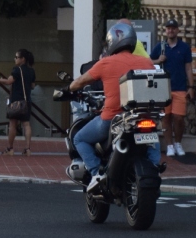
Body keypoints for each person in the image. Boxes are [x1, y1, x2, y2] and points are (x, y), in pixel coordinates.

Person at [67, 22, 162, 192]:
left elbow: (81, 81)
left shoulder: (106, 63)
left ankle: (96, 173)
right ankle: (154, 167)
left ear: (113, 41)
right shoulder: (146, 62)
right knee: (152, 133)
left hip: (112, 118)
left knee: (79, 139)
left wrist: (68, 89)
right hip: (142, 115)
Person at [151, 18, 195, 156]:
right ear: (166, 30)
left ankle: (178, 143)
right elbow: (148, 61)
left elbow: (188, 68)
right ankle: (170, 145)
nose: (170, 30)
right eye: (168, 28)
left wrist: (191, 86)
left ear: (177, 30)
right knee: (166, 117)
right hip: (164, 88)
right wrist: (159, 60)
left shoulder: (184, 47)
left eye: (173, 28)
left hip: (180, 87)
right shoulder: (160, 46)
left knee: (179, 117)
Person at [0, 49, 36, 155]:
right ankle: (28, 149)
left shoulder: (16, 70)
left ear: (22, 59)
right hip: (27, 101)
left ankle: (10, 148)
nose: (15, 59)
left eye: (16, 57)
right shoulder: (31, 71)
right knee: (26, 124)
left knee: (12, 124)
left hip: (16, 100)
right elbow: (32, 86)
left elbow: (8, 81)